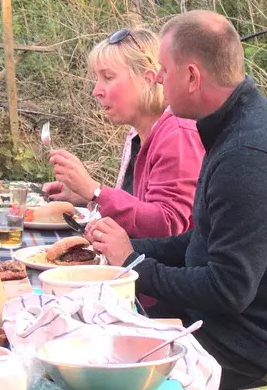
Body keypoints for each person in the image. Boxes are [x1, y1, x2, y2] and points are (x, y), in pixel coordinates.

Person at [85, 11, 267, 390]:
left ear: (192, 77)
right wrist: (131, 249)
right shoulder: (234, 127)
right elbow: (201, 239)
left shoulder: (249, 155)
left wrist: (133, 264)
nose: (158, 78)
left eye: (164, 70)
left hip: (251, 351)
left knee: (97, 365)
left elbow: (227, 289)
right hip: (223, 326)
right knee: (90, 324)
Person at [43, 25, 204, 237]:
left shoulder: (179, 133)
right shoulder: (137, 134)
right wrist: (84, 196)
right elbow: (138, 208)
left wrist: (96, 190)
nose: (96, 91)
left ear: (147, 80)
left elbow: (169, 225)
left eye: (108, 78)